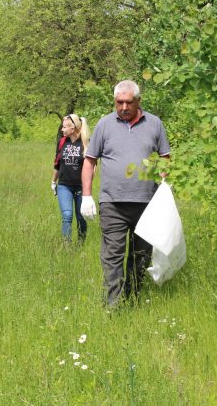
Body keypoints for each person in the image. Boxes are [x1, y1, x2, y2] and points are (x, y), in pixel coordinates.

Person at [80, 80, 170, 307]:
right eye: (119, 102)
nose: (123, 107)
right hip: (113, 203)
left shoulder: (155, 124)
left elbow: (165, 159)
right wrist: (87, 196)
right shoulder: (104, 125)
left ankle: (134, 298)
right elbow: (90, 161)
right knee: (112, 256)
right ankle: (113, 304)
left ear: (138, 101)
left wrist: (165, 186)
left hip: (147, 204)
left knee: (141, 256)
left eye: (129, 102)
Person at [51, 114, 90, 243]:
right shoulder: (62, 142)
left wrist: (88, 188)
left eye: (64, 127)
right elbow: (57, 163)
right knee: (67, 215)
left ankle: (81, 245)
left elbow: (91, 167)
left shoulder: (85, 143)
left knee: (81, 217)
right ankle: (67, 246)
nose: (62, 130)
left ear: (73, 128)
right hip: (64, 186)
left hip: (81, 187)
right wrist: (53, 181)